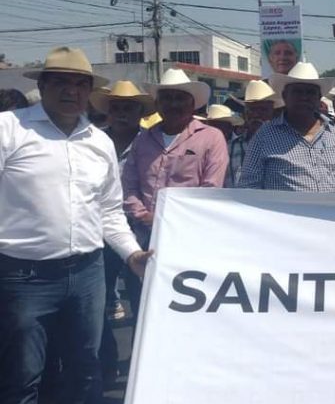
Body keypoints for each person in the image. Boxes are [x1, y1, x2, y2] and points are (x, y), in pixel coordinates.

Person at [0, 47, 151, 404]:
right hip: (23, 275)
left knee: (86, 370)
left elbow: (109, 212)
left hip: (87, 273)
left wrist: (132, 255)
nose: (71, 91)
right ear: (45, 85)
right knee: (22, 376)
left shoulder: (99, 142)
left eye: (80, 84)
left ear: (89, 91)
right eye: (62, 82)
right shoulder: (10, 129)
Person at [123, 68, 228, 313]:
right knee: (144, 304)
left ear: (193, 104)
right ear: (158, 103)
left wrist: (165, 220)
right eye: (167, 98)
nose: (174, 104)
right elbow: (128, 186)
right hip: (144, 237)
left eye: (180, 98)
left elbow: (211, 190)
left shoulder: (211, 138)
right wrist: (144, 216)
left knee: (188, 302)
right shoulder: (142, 140)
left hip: (191, 237)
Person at [89, 80, 154, 383]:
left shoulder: (150, 144)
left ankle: (141, 364)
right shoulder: (91, 141)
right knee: (97, 302)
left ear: (140, 111)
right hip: (97, 233)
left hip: (139, 236)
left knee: (142, 301)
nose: (122, 112)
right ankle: (106, 359)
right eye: (116, 107)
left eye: (129, 107)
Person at [239, 63, 335, 193]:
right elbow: (248, 186)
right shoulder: (264, 136)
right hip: (284, 213)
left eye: (310, 92)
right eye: (297, 92)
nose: (304, 97)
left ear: (319, 98)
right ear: (285, 96)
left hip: (334, 214)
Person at [226, 80, 282, 187]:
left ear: (273, 112)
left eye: (262, 110)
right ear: (245, 113)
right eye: (251, 110)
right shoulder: (230, 147)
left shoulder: (283, 145)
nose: (256, 115)